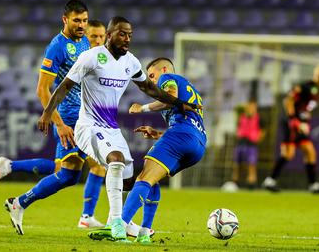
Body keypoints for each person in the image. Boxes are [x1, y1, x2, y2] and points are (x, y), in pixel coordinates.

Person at [37, 17, 201, 242]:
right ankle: (116, 223)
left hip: (111, 129)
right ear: (110, 34)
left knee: (131, 180)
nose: (127, 39)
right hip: (89, 127)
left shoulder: (130, 62)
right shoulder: (91, 57)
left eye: (130, 35)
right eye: (122, 34)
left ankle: (132, 224)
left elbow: (149, 88)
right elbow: (66, 85)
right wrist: (48, 112)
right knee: (115, 160)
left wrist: (179, 104)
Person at [0, 15, 107, 229]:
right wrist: (58, 122)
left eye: (102, 37)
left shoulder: (96, 57)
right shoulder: (67, 50)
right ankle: (91, 217)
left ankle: (16, 189)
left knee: (67, 174)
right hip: (72, 117)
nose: (98, 40)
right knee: (93, 167)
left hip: (87, 117)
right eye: (94, 36)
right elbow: (45, 89)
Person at [88, 57, 206, 243]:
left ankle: (118, 225)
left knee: (142, 178)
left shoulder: (169, 78)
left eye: (152, 75)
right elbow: (187, 123)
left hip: (181, 135)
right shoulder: (191, 90)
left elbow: (171, 98)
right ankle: (144, 232)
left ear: (164, 69)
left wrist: (142, 107)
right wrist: (158, 134)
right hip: (198, 144)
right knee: (152, 180)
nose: (150, 81)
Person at [262, 65, 319, 193]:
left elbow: (304, 108)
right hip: (291, 124)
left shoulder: (318, 91)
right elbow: (288, 101)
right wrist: (294, 120)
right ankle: (270, 180)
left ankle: (313, 185)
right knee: (288, 153)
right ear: (317, 74)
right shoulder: (306, 86)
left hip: (301, 125)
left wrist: (305, 121)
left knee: (310, 151)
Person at [222, 100, 264, 192]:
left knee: (251, 165)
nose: (250, 109)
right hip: (241, 143)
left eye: (252, 107)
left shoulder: (258, 118)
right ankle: (235, 183)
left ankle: (251, 184)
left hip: (251, 144)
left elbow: (262, 131)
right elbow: (239, 128)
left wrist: (257, 138)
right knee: (237, 165)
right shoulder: (242, 117)